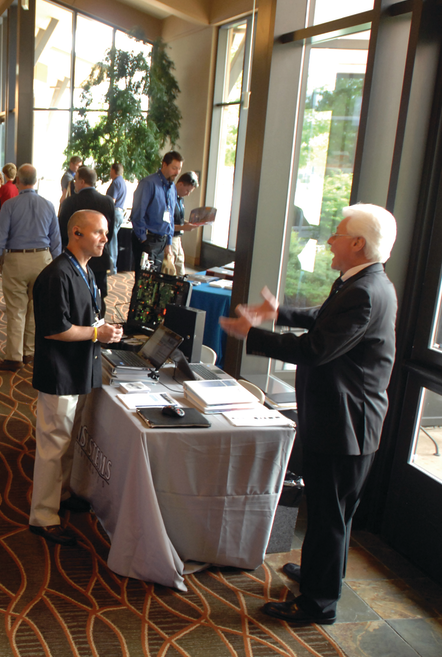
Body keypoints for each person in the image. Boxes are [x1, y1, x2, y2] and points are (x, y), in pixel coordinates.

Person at [219, 204, 398, 626]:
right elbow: (323, 320)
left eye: (337, 234)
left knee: (329, 516)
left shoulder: (365, 293)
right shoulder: (360, 283)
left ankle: (318, 603)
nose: (330, 240)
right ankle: (322, 573)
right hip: (340, 420)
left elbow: (317, 348)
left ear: (358, 243)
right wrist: (279, 313)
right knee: (327, 512)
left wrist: (254, 334)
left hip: (346, 426)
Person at [30, 209, 123, 546]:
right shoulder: (57, 275)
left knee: (67, 443)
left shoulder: (85, 270)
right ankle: (42, 515)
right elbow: (57, 331)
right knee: (53, 446)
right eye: (99, 232)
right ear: (77, 233)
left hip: (78, 369)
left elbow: (87, 317)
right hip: (60, 373)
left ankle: (63, 494)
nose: (105, 238)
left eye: (106, 232)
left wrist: (101, 329)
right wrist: (97, 335)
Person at [0, 164, 61, 371]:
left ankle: (14, 357)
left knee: (16, 310)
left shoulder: (9, 206)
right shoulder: (48, 205)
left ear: (17, 180)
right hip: (43, 261)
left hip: (16, 260)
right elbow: (56, 240)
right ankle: (30, 352)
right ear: (35, 181)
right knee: (36, 310)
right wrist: (58, 265)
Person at [58, 166, 115, 319]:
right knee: (99, 295)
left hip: (75, 258)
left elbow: (63, 230)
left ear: (82, 181)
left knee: (75, 298)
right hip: (100, 257)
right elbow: (111, 231)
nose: (74, 184)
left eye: (75, 180)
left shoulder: (70, 202)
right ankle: (99, 324)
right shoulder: (107, 201)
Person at [131, 151, 183, 272]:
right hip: (148, 239)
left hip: (163, 241)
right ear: (164, 165)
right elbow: (138, 214)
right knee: (143, 282)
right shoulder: (148, 183)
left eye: (179, 169)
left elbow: (170, 217)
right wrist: (144, 239)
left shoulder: (172, 188)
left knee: (157, 282)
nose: (177, 172)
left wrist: (169, 242)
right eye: (174, 168)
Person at [170, 171, 200, 276]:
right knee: (171, 267)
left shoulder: (180, 199)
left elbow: (178, 219)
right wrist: (184, 227)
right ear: (180, 184)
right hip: (170, 237)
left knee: (180, 264)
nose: (188, 194)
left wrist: (188, 224)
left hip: (178, 237)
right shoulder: (169, 197)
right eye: (187, 190)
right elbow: (167, 224)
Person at [105, 163, 128, 274]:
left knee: (112, 241)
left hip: (114, 212)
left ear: (114, 170)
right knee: (114, 240)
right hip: (120, 213)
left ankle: (112, 267)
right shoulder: (122, 182)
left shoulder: (116, 183)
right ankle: (113, 266)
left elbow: (112, 200)